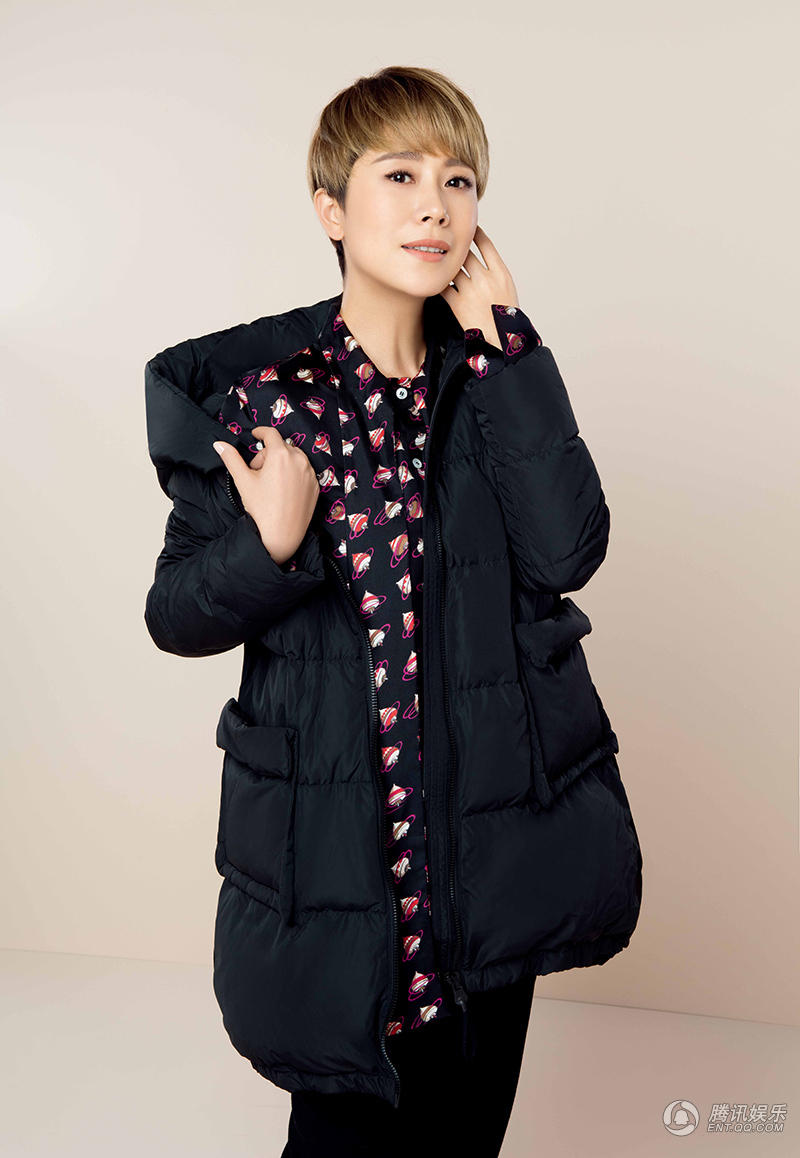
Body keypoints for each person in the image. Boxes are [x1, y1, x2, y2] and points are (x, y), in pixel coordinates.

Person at [144, 65, 642, 1158]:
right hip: (337, 860)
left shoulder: (490, 377)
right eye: (401, 175)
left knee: (465, 1137)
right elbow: (175, 613)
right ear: (331, 209)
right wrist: (269, 547)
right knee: (340, 1140)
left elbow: (568, 551)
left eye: (459, 180)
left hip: (491, 853)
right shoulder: (266, 400)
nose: (435, 206)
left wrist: (509, 347)